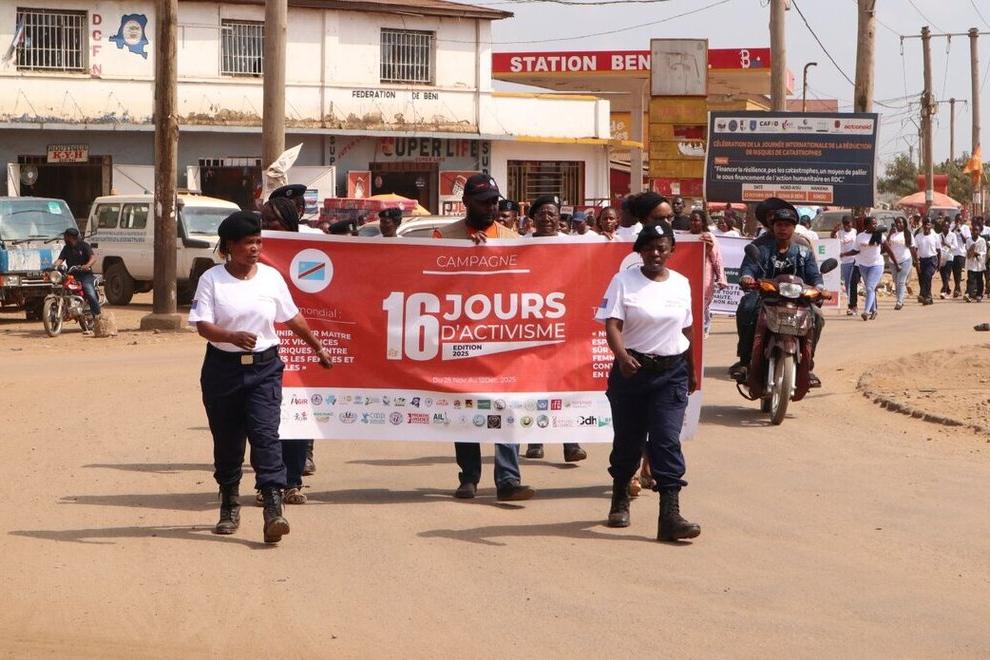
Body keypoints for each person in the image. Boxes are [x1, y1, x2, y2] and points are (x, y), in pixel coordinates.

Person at [189, 212, 332, 543]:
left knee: (266, 435)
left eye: (258, 242)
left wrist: (317, 347)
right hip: (223, 370)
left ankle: (273, 508)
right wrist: (231, 336)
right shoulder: (212, 279)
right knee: (228, 441)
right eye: (247, 243)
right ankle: (229, 505)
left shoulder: (271, 278)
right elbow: (202, 326)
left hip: (264, 369)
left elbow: (292, 317)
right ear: (229, 246)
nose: (255, 248)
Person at [597, 225, 701, 540]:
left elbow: (687, 329)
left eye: (662, 248)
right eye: (649, 248)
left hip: (672, 372)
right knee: (628, 441)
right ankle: (620, 499)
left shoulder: (681, 283)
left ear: (671, 250)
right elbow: (612, 325)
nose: (655, 253)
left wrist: (692, 368)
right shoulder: (623, 281)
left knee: (666, 440)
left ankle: (670, 516)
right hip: (632, 372)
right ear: (640, 251)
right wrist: (621, 356)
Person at [435, 174, 534, 501]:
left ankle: (508, 479)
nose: (491, 207)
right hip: (460, 338)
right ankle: (469, 477)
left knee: (507, 408)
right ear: (466, 203)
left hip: (501, 340)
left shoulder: (511, 239)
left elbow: (522, 287)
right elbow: (431, 286)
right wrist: (465, 255)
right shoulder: (444, 237)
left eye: (494, 201)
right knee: (465, 409)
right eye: (484, 202)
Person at [519, 194, 589, 463]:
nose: (547, 218)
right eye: (542, 214)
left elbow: (607, 254)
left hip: (563, 327)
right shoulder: (519, 246)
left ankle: (571, 443)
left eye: (552, 214)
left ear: (560, 218)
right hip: (529, 327)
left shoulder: (573, 244)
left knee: (563, 385)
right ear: (533, 218)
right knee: (533, 385)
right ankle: (534, 441)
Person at [729, 199, 827, 385]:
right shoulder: (759, 246)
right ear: (771, 224)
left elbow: (814, 274)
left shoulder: (803, 248)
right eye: (778, 224)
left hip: (797, 297)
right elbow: (748, 268)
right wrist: (747, 278)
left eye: (787, 225)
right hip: (764, 295)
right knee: (747, 307)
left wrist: (820, 288)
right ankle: (745, 360)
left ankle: (808, 365)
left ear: (794, 227)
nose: (783, 229)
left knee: (817, 316)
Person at [688, 209, 727, 337]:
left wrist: (721, 278)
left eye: (696, 220)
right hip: (688, 276)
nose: (693, 223)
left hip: (705, 277)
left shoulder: (709, 237)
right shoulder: (684, 237)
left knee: (702, 304)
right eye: (691, 220)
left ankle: (703, 328)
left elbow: (717, 259)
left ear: (703, 222)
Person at [52, 228, 101, 323]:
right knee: (61, 287)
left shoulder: (84, 246)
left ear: (71, 237)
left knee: (89, 292)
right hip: (72, 276)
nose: (64, 238)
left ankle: (98, 316)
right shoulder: (66, 248)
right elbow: (60, 259)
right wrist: (53, 266)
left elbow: (93, 258)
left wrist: (87, 265)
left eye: (65, 236)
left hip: (85, 276)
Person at [853, 216, 885, 321]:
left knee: (870, 288)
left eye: (876, 223)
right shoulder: (860, 237)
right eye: (873, 224)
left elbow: (887, 248)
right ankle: (874, 310)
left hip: (876, 265)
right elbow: (855, 250)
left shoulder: (879, 234)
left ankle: (866, 312)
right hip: (863, 265)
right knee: (869, 288)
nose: (875, 225)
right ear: (866, 225)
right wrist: (844, 254)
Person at [832, 215, 861, 315]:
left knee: (852, 284)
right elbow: (832, 239)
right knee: (848, 284)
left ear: (852, 223)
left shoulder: (855, 232)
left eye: (848, 224)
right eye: (845, 224)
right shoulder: (839, 233)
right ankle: (852, 305)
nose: (847, 226)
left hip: (854, 260)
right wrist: (834, 231)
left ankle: (852, 306)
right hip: (844, 262)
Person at [884, 216, 913, 311]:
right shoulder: (892, 234)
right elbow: (886, 245)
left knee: (901, 281)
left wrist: (916, 261)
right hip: (893, 261)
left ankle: (899, 301)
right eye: (897, 223)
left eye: (900, 222)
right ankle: (900, 299)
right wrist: (889, 234)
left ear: (904, 224)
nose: (898, 224)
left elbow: (912, 248)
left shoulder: (907, 234)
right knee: (896, 281)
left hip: (905, 260)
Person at [913, 216, 941, 306]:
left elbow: (939, 250)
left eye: (928, 224)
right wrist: (915, 261)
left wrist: (939, 263)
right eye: (924, 224)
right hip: (921, 260)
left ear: (931, 226)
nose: (926, 226)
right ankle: (928, 297)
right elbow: (915, 250)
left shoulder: (935, 236)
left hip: (932, 260)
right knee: (922, 279)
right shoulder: (918, 237)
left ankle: (924, 295)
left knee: (927, 276)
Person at [964, 217, 987, 302]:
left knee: (979, 280)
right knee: (970, 279)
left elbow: (984, 251)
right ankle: (969, 295)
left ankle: (979, 295)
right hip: (971, 263)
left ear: (979, 231)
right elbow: (967, 251)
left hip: (979, 263)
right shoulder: (969, 240)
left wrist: (977, 254)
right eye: (973, 230)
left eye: (976, 230)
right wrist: (971, 252)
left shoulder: (982, 240)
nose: (975, 232)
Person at [951, 216, 971, 297]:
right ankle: (958, 288)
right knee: (954, 271)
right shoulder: (952, 226)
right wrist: (954, 228)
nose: (958, 221)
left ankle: (956, 288)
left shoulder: (966, 228)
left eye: (960, 220)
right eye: (957, 220)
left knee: (959, 271)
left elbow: (966, 241)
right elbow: (948, 236)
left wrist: (960, 231)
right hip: (952, 252)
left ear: (962, 220)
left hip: (961, 252)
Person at [937, 219, 958, 299]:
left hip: (949, 256)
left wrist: (947, 244)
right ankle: (948, 289)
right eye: (943, 226)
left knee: (947, 274)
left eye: (946, 226)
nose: (945, 228)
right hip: (941, 257)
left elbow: (955, 247)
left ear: (949, 227)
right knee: (943, 275)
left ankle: (944, 291)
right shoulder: (939, 235)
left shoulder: (953, 235)